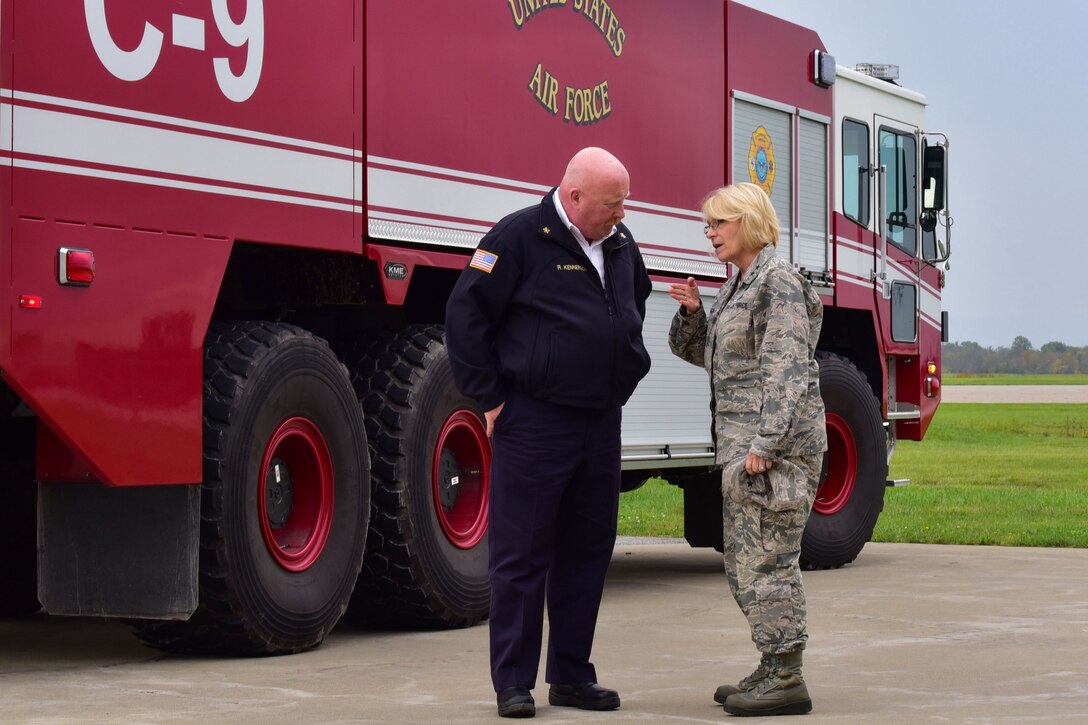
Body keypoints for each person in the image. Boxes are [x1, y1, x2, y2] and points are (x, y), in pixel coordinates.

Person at [445, 147, 652, 719]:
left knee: (587, 551)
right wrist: (488, 396)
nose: (622, 213)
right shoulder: (517, 237)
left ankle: (571, 676)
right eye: (613, 203)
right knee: (521, 554)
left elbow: (634, 296)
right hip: (535, 421)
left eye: (624, 202)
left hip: (599, 421)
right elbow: (466, 316)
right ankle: (513, 682)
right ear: (574, 195)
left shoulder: (619, 241)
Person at [667, 183, 826, 717]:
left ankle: (787, 676)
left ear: (748, 222)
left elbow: (788, 369)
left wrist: (767, 444)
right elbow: (721, 363)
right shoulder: (740, 285)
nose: (709, 232)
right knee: (743, 561)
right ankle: (771, 661)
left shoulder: (777, 281)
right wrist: (694, 316)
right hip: (744, 449)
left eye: (718, 222)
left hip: (771, 452)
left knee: (767, 560)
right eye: (707, 224)